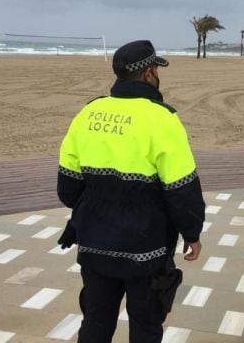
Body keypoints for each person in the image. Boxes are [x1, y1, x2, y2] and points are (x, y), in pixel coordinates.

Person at [57, 40, 205, 343]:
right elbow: (182, 189)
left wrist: (99, 206)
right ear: (149, 72)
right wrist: (192, 233)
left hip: (94, 244)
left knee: (96, 323)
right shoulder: (162, 118)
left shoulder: (89, 112)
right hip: (146, 249)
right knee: (146, 326)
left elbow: (67, 189)